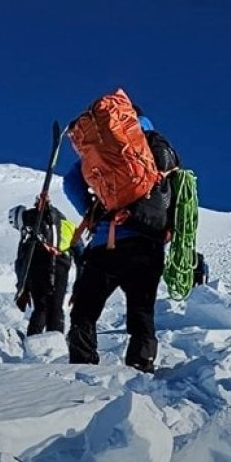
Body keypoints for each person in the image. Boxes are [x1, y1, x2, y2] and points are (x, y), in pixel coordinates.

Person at [63, 111, 178, 372]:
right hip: (149, 246)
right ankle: (141, 364)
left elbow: (71, 182)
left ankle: (82, 367)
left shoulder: (105, 146)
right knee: (141, 309)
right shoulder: (160, 149)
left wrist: (93, 214)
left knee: (85, 308)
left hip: (107, 243)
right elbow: (179, 194)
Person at [9, 199, 80, 336]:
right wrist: (79, 284)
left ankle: (33, 341)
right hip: (61, 266)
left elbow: (21, 262)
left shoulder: (29, 232)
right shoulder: (66, 224)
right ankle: (55, 342)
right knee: (56, 307)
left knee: (41, 307)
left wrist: (22, 287)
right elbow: (80, 252)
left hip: (37, 266)